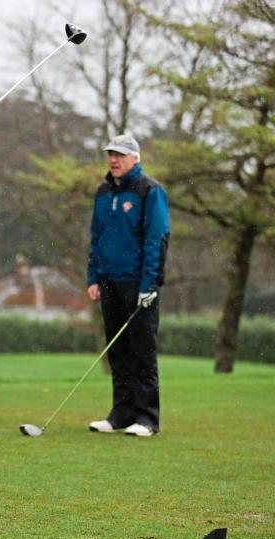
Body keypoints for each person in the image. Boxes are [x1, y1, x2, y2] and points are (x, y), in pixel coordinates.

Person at [86, 134, 170, 437]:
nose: (114, 159)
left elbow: (156, 240)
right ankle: (121, 414)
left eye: (120, 154)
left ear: (135, 158)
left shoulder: (150, 191)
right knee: (118, 352)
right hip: (109, 281)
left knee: (142, 351)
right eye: (110, 154)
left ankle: (147, 418)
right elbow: (97, 237)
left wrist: (151, 284)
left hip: (139, 283)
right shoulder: (104, 191)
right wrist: (93, 277)